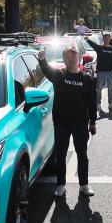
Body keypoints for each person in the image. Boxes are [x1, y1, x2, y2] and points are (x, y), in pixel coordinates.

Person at [38, 45, 98, 197]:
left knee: (82, 155)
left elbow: (92, 101)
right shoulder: (59, 75)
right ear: (64, 59)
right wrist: (42, 59)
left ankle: (84, 185)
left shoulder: (87, 78)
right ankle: (60, 185)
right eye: (67, 56)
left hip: (80, 124)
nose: (71, 59)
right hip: (61, 124)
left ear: (79, 58)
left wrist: (92, 122)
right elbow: (46, 69)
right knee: (61, 156)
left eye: (73, 56)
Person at [85, 32, 112, 113]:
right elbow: (93, 44)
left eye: (108, 38)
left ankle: (110, 104)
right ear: (103, 39)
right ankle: (98, 105)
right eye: (105, 38)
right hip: (101, 72)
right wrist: (87, 40)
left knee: (110, 89)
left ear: (110, 39)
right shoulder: (99, 48)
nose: (107, 40)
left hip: (110, 73)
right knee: (99, 89)